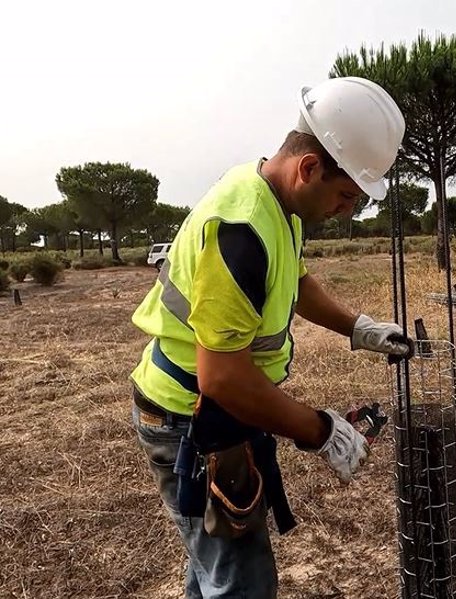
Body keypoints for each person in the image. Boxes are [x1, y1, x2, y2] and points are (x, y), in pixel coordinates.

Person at [129, 76, 408, 599]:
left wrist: (359, 329)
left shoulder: (279, 203)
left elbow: (294, 282)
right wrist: (321, 430)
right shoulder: (241, 228)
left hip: (214, 411)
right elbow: (224, 377)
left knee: (214, 569)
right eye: (346, 195)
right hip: (188, 416)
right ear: (309, 167)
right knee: (241, 583)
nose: (347, 210)